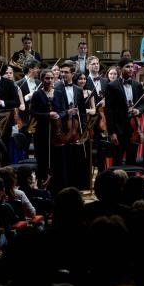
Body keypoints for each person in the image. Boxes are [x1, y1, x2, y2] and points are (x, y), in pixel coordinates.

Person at [104, 58, 144, 166]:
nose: (131, 69)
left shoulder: (137, 85)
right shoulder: (112, 86)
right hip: (119, 130)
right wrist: (112, 132)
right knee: (117, 162)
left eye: (132, 67)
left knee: (132, 162)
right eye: (127, 67)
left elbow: (143, 104)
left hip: (134, 130)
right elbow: (108, 111)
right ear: (119, 69)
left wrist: (138, 110)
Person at [29, 69, 66, 189]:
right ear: (42, 79)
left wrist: (58, 115)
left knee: (57, 158)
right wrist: (47, 115)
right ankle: (43, 184)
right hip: (42, 131)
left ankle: (57, 186)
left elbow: (63, 111)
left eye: (51, 78)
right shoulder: (37, 94)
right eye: (47, 78)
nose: (49, 80)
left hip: (57, 130)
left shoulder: (59, 93)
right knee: (43, 158)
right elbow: (32, 112)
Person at [56, 61, 89, 190]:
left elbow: (82, 111)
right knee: (64, 158)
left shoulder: (78, 90)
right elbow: (56, 109)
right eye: (62, 72)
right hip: (61, 128)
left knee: (76, 157)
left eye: (66, 72)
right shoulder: (56, 87)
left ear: (72, 74)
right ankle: (64, 185)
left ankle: (77, 185)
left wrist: (83, 128)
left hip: (75, 128)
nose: (63, 74)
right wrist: (66, 113)